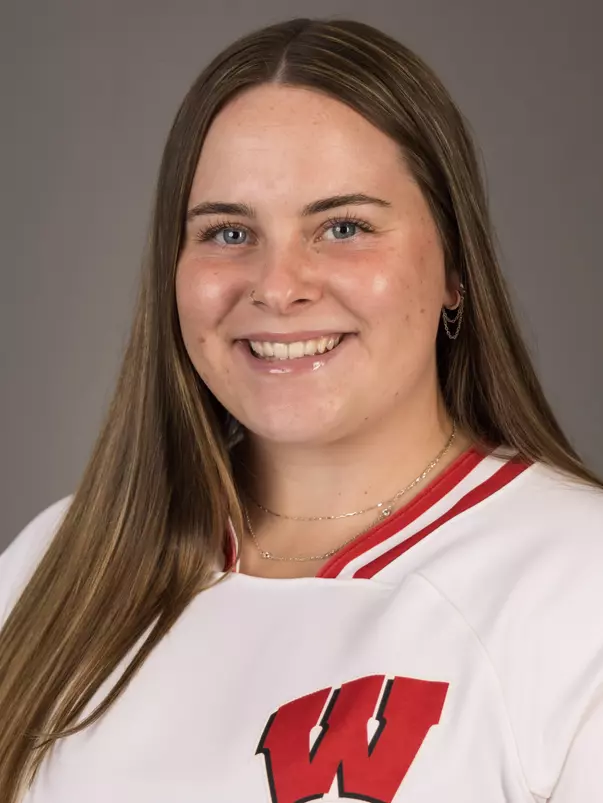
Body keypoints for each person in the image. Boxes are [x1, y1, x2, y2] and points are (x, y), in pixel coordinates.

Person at [0, 15, 601, 803]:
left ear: (456, 268)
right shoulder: (54, 562)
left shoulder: (575, 582)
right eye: (227, 231)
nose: (277, 286)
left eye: (343, 226)